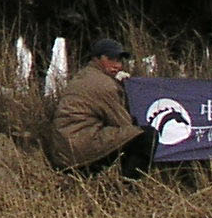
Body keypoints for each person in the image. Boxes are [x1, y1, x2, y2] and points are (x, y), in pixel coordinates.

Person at [47, 38, 155, 180]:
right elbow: (123, 123)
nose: (117, 65)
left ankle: (96, 179)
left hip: (65, 149)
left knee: (118, 135)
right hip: (79, 151)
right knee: (145, 135)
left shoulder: (84, 75)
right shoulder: (105, 85)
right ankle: (128, 185)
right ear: (97, 58)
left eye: (119, 60)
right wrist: (121, 89)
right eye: (111, 59)